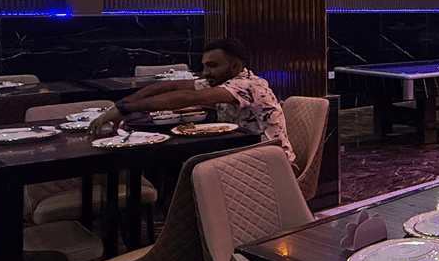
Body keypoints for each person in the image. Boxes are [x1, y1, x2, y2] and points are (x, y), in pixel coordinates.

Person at [89, 37, 294, 165]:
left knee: (193, 171)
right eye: (204, 66)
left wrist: (125, 109)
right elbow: (170, 86)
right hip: (244, 155)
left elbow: (188, 98)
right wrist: (120, 106)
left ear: (235, 67)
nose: (205, 72)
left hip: (273, 163)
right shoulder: (222, 82)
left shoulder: (247, 85)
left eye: (212, 66)